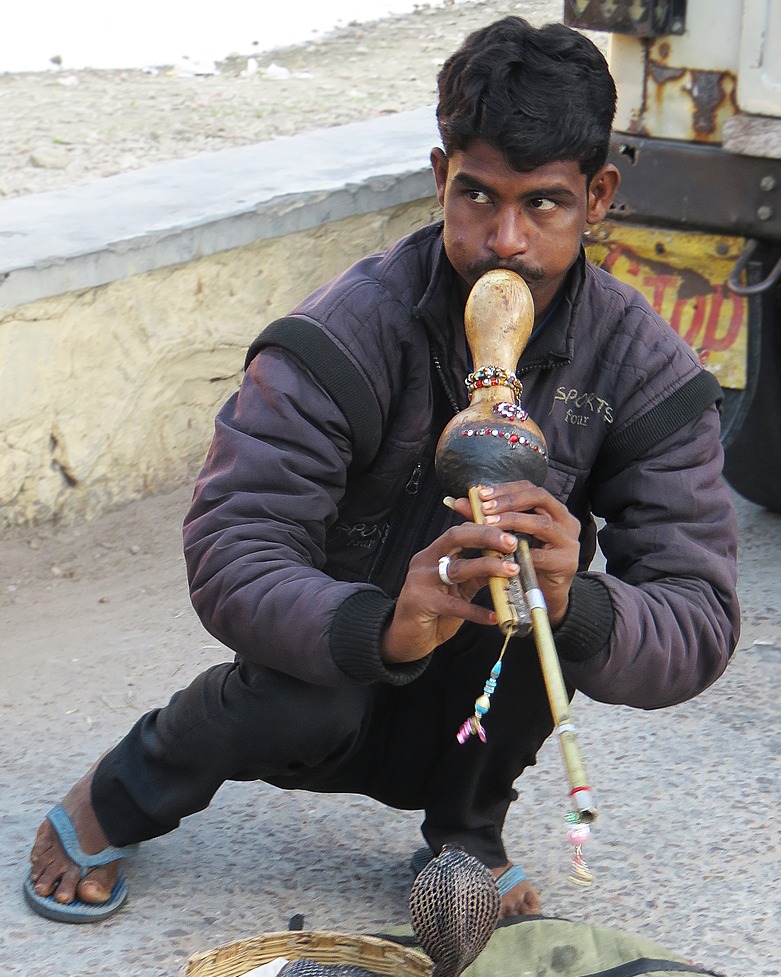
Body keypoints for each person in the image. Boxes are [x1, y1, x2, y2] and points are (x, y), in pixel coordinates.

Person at [25, 16, 739, 924]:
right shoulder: (344, 334)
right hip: (331, 651)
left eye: (544, 204)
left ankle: (467, 830)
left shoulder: (643, 370)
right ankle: (122, 788)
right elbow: (233, 549)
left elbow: (700, 614)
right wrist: (386, 625)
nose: (505, 240)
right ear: (441, 179)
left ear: (598, 197)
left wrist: (576, 601)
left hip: (482, 660)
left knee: (532, 622)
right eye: (477, 196)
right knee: (303, 708)